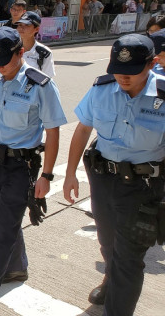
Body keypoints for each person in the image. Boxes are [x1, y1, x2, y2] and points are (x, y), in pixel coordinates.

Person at [0, 27, 66, 316]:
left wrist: (47, 176)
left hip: (20, 167)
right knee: (3, 223)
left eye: (4, 61)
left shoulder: (40, 85)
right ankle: (17, 267)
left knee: (4, 230)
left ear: (21, 53)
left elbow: (53, 131)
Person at [62, 34, 164, 316]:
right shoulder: (102, 89)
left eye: (131, 72)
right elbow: (82, 130)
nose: (123, 77)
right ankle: (110, 276)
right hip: (104, 180)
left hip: (144, 186)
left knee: (130, 259)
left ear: (152, 64)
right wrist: (70, 174)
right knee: (107, 242)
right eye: (117, 70)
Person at [16, 12, 55, 78]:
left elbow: (47, 81)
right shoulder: (11, 49)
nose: (21, 28)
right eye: (20, 25)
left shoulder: (44, 53)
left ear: (36, 29)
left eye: (27, 25)